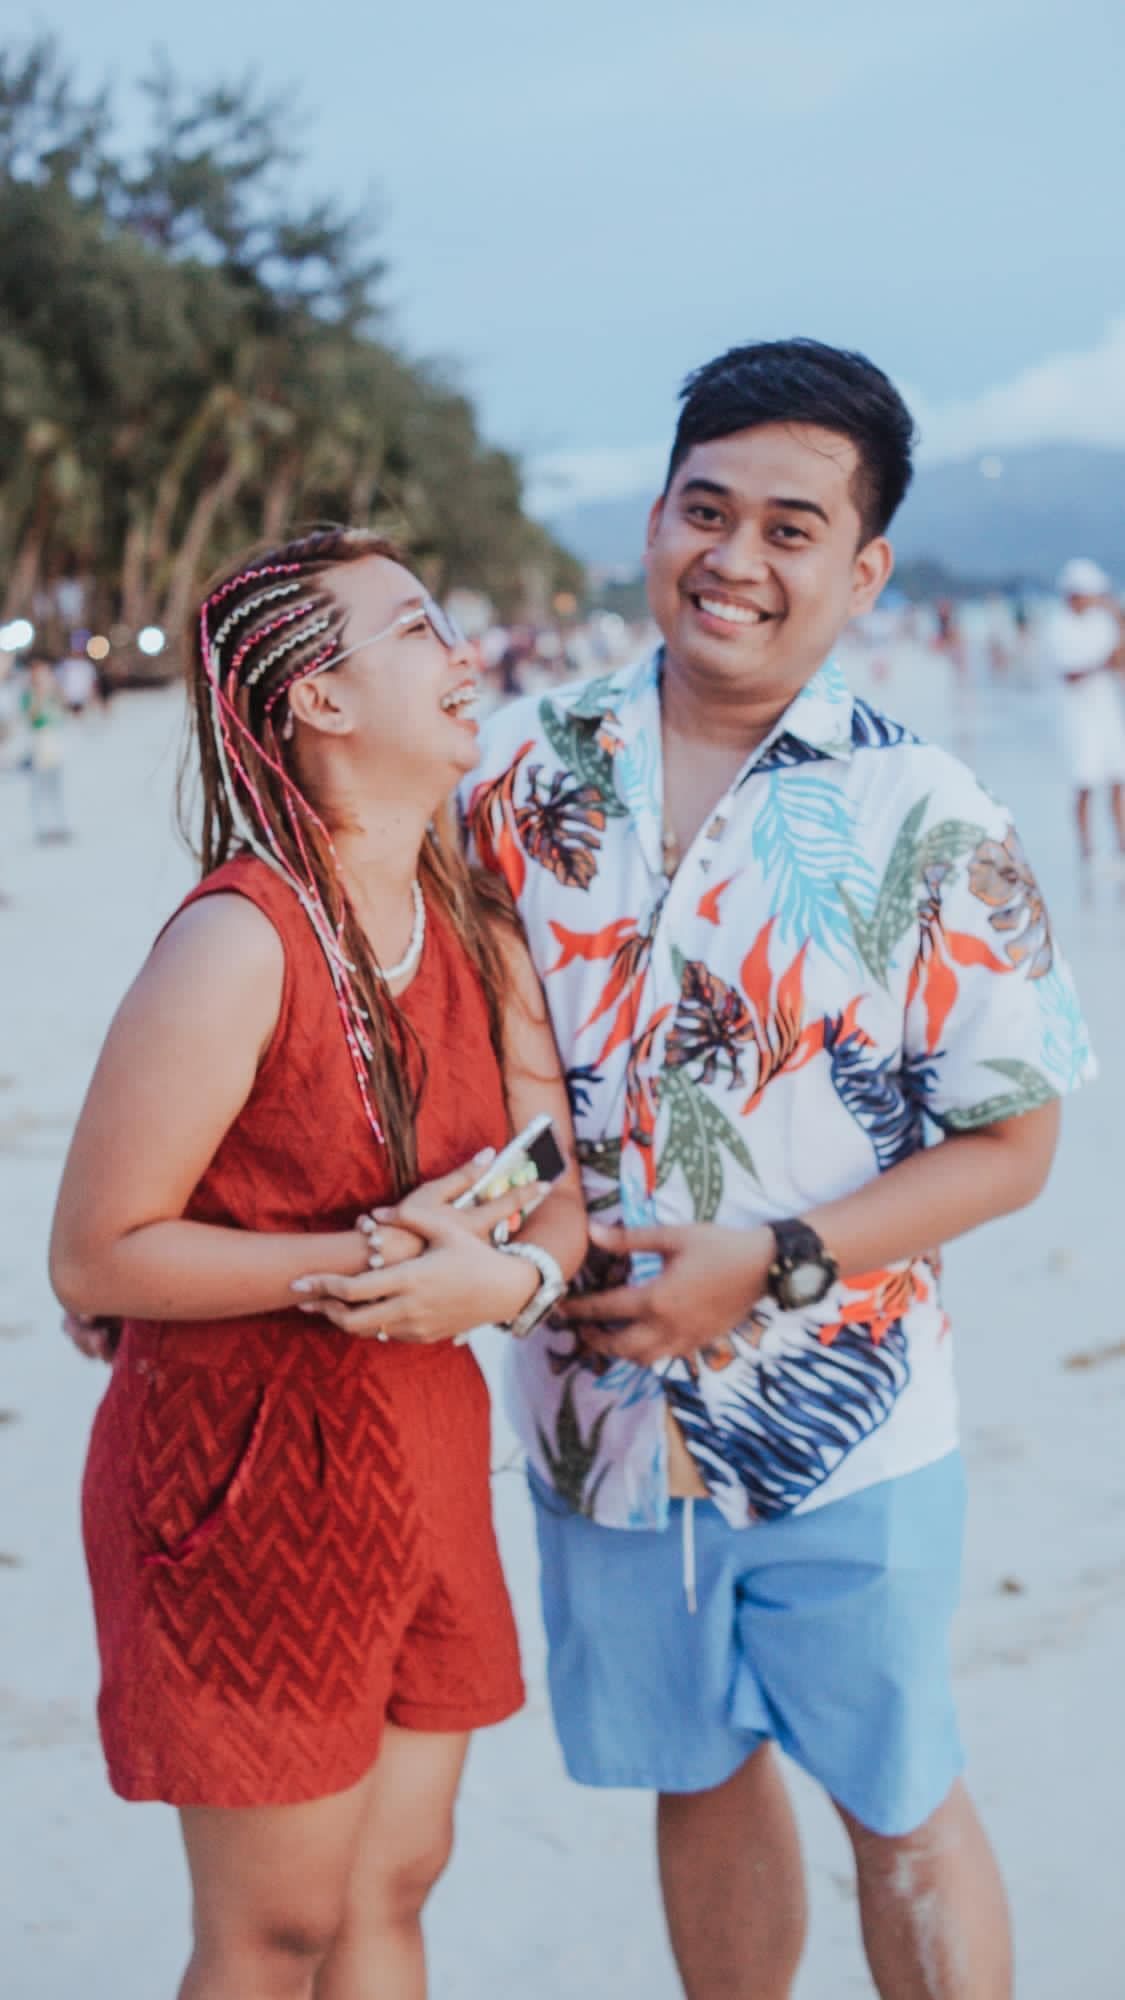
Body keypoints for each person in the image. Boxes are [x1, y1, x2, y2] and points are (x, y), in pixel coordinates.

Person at [460, 340, 1094, 2000]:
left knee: (899, 1799)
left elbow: (1016, 1145)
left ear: (865, 569)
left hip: (849, 1415)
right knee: (693, 1771)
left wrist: (777, 1260)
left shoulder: (930, 815)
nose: (733, 559)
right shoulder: (516, 774)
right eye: (706, 509)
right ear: (655, 518)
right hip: (592, 1414)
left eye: (791, 529)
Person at [49, 527, 586, 2000]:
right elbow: (94, 1252)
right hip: (244, 1478)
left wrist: (507, 1284)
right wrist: (363, 1262)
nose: (463, 653)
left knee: (395, 1889)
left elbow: (556, 1185)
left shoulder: (476, 926)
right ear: (320, 699)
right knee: (274, 1928)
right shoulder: (240, 942)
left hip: (423, 1454)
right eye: (415, 629)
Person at [1047, 556, 1125, 865]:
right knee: (1085, 784)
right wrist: (1104, 662)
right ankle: (1087, 850)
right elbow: (1070, 673)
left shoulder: (1102, 623)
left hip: (1106, 710)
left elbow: (1118, 662)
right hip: (1077, 716)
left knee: (1117, 779)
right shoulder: (1058, 626)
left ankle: (1121, 843)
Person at [21, 654, 72, 842]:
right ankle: (42, 826)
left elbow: (62, 713)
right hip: (39, 742)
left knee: (55, 786)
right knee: (39, 787)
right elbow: (32, 718)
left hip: (54, 743)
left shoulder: (54, 693)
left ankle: (58, 824)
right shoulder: (29, 695)